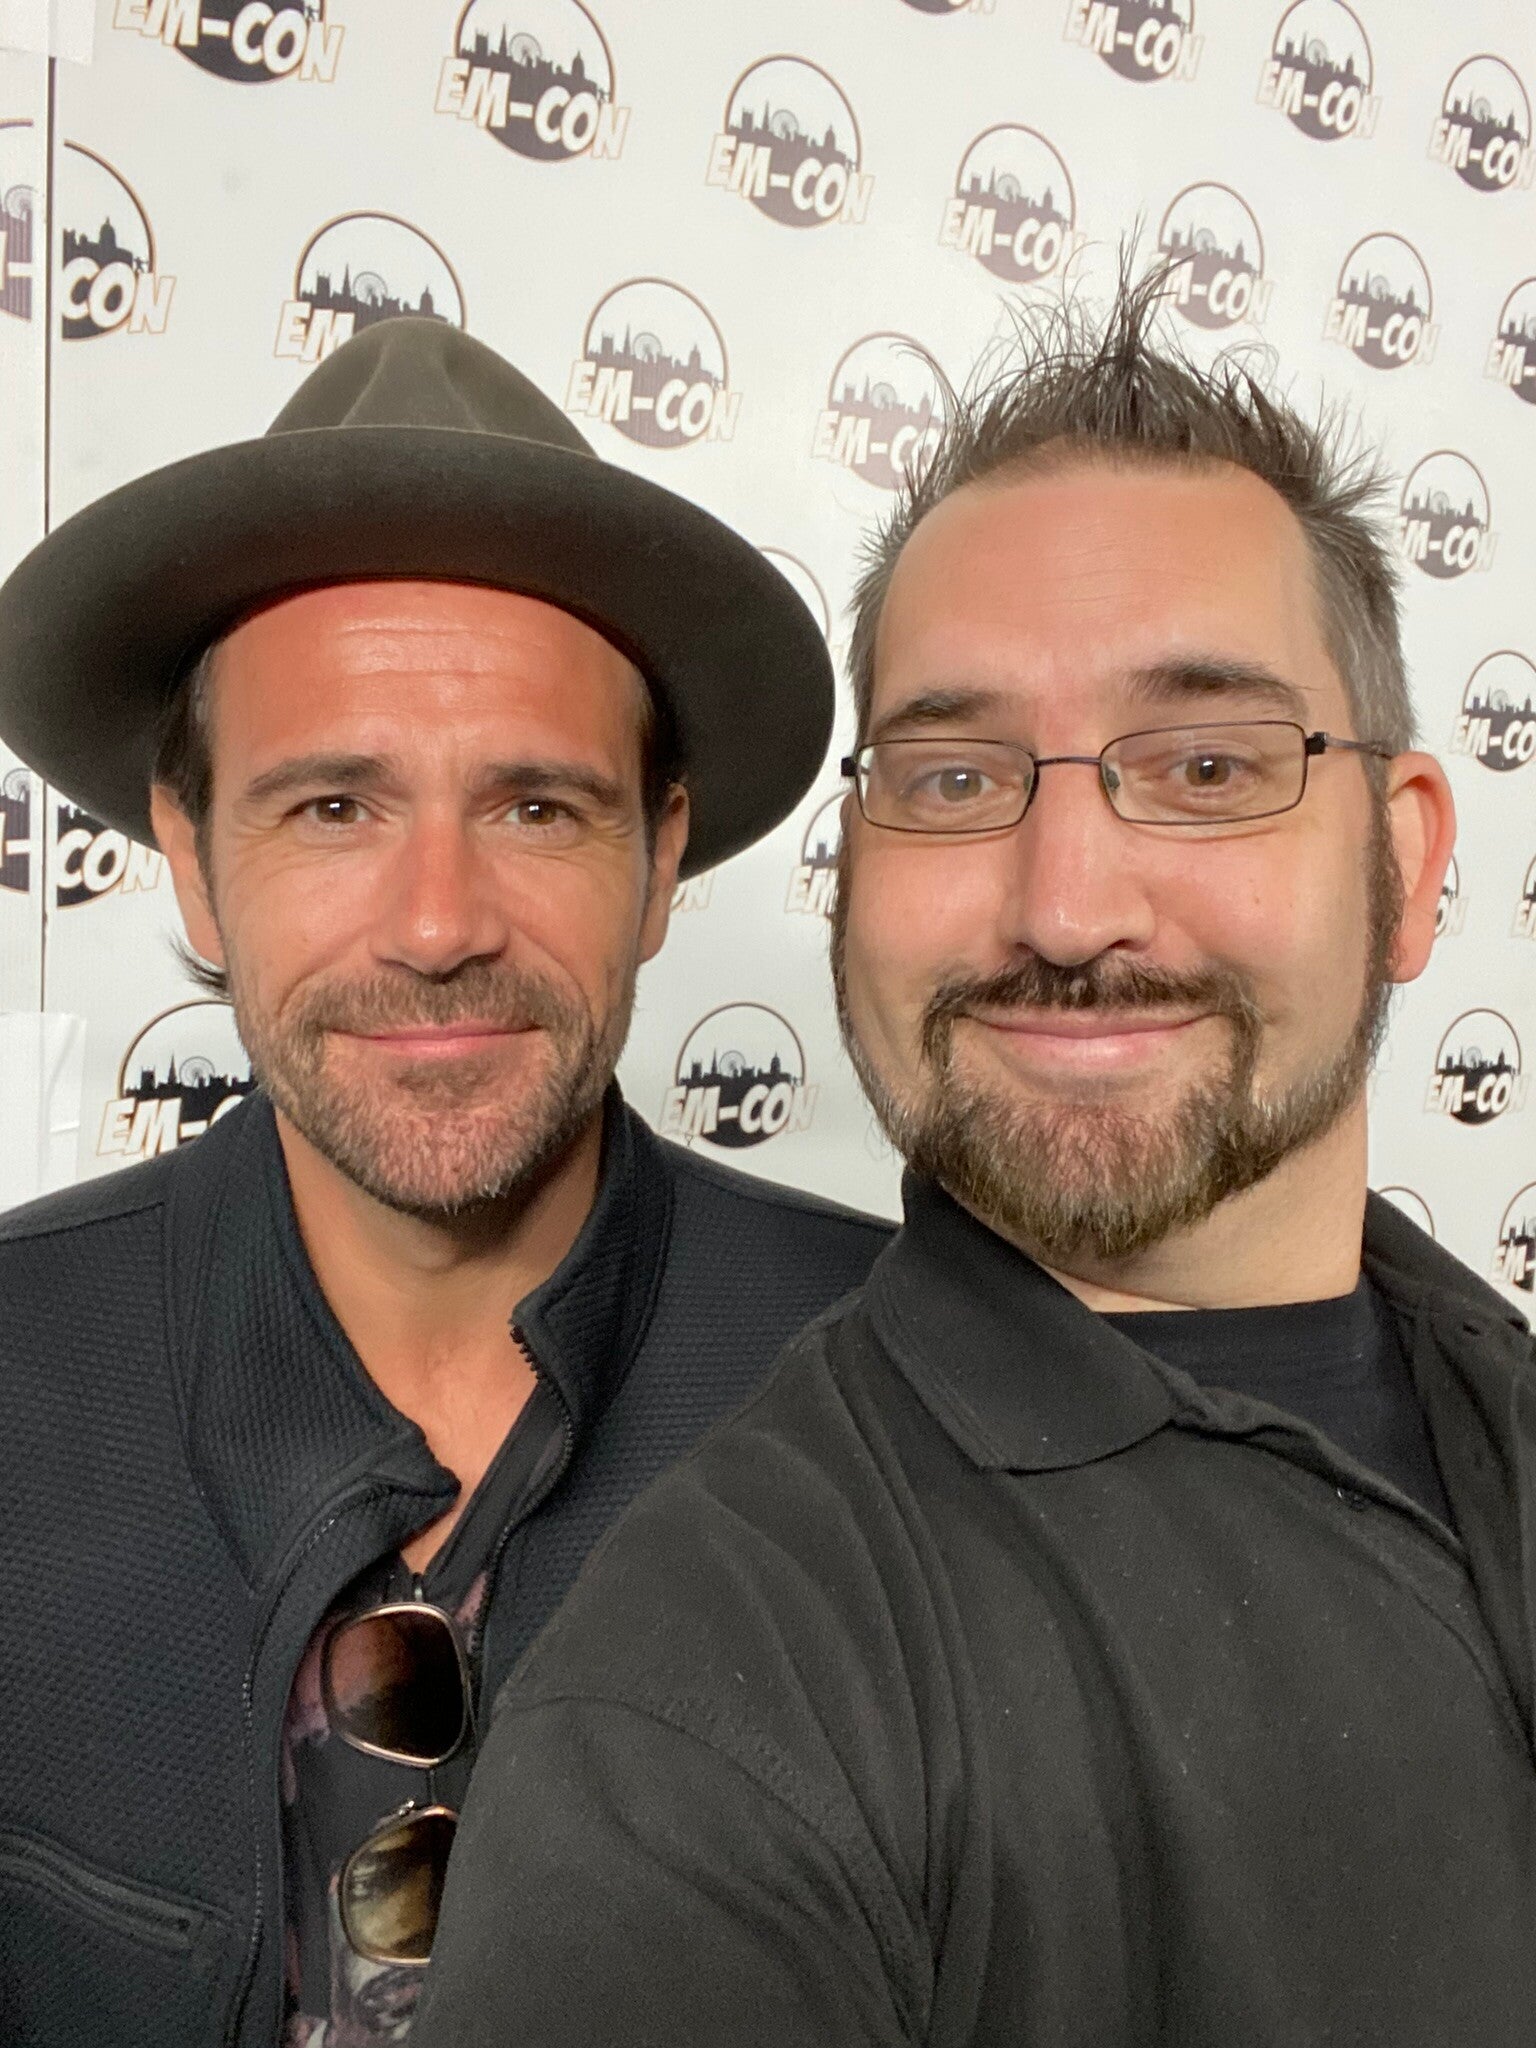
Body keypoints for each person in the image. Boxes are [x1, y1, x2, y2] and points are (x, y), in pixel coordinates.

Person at [411, 274, 1536, 2048]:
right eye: (953, 779)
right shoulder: (710, 1710)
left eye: (1206, 764)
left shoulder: (1488, 1382)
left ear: (1404, 859)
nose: (1067, 906)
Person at [0, 318, 891, 2048]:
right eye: (333, 807)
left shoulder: (904, 1390)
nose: (436, 925)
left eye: (537, 809)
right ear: (191, 860)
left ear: (660, 858)